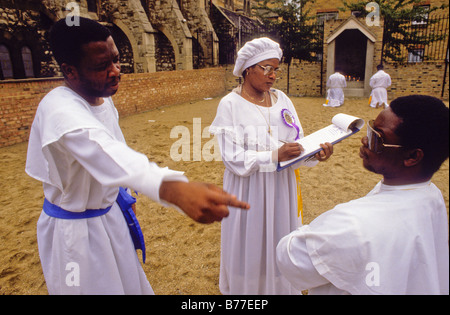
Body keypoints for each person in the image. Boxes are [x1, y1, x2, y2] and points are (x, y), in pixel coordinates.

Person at [25, 17, 249, 295]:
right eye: (101, 67)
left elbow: (117, 150)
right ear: (70, 71)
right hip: (77, 236)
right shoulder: (60, 111)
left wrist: (125, 196)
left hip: (111, 218)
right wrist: (174, 189)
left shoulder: (102, 98)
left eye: (116, 60)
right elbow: (107, 153)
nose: (115, 71)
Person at [276, 95, 449, 295]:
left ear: (412, 156)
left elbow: (290, 259)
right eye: (370, 129)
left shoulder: (352, 223)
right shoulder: (431, 195)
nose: (365, 140)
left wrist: (309, 229)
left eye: (378, 138)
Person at [209, 37, 333, 295]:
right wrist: (273, 156)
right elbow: (232, 158)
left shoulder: (283, 99)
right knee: (251, 241)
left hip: (281, 186)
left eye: (276, 69)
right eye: (267, 68)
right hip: (249, 187)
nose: (273, 75)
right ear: (248, 69)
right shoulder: (230, 105)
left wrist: (314, 153)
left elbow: (298, 142)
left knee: (280, 237)